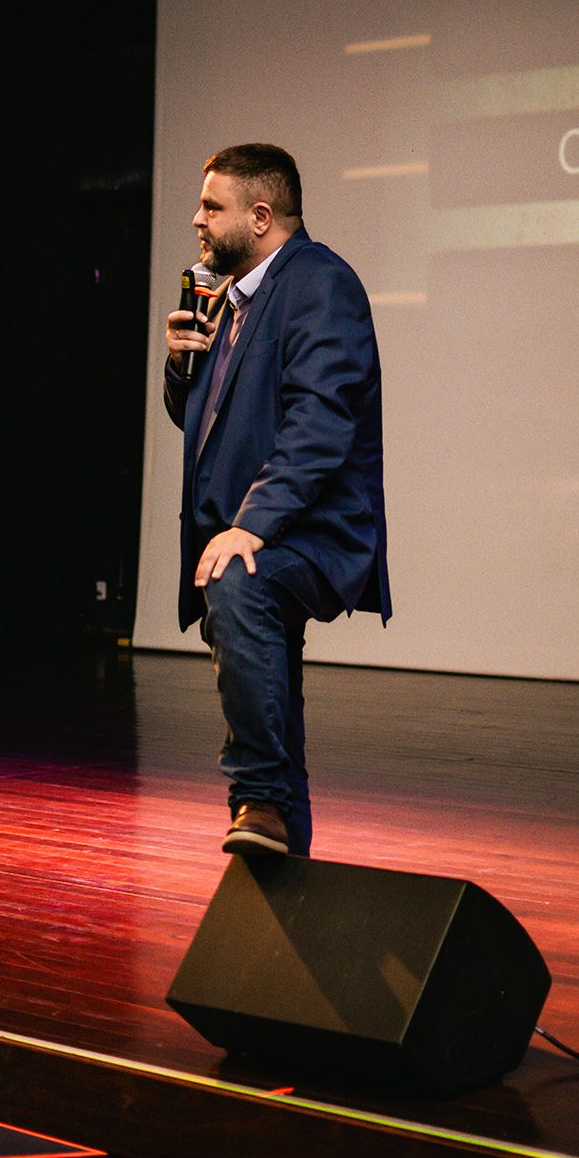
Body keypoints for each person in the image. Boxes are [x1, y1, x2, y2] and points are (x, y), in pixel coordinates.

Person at [164, 143, 390, 858]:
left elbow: (319, 423)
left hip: (308, 532)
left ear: (260, 217)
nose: (197, 219)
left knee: (238, 582)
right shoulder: (234, 298)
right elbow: (207, 418)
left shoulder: (321, 284)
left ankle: (257, 799)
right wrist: (180, 367)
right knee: (275, 697)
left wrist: (250, 528)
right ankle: (282, 853)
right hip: (258, 529)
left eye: (212, 206)